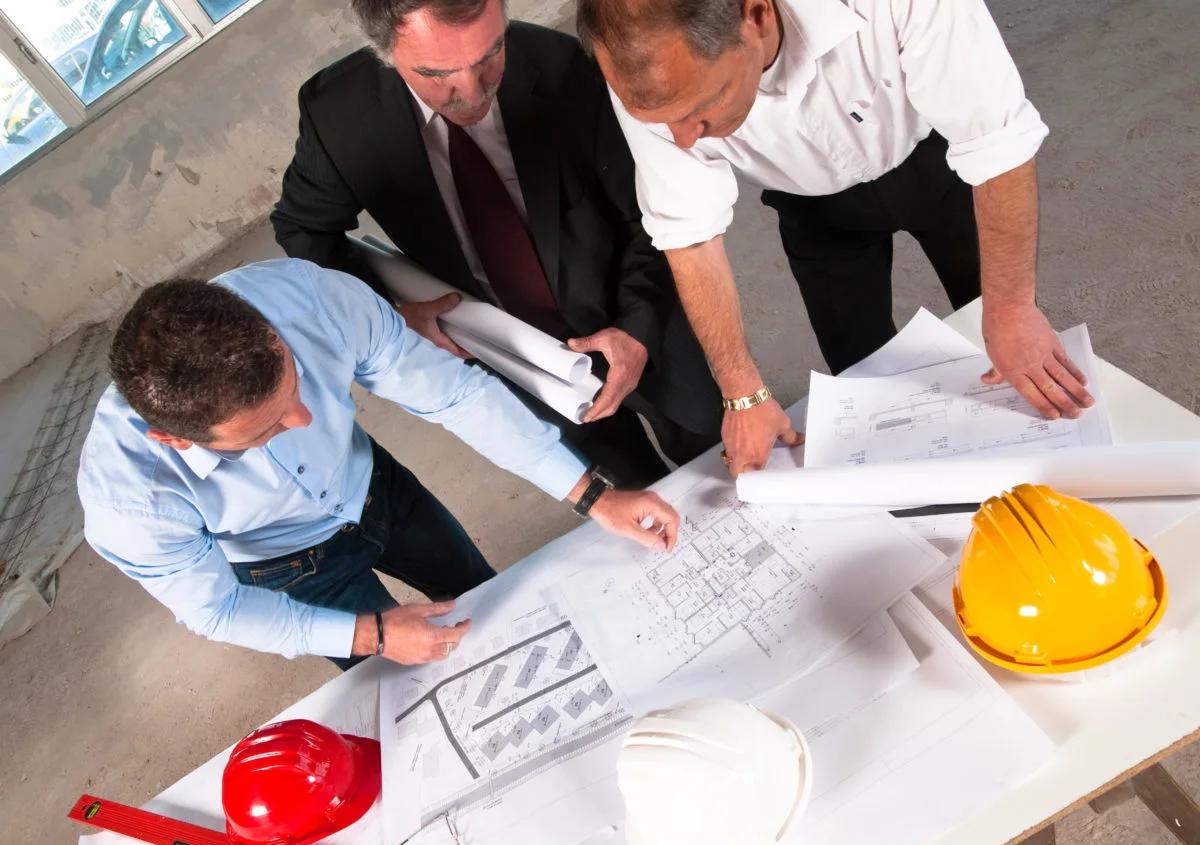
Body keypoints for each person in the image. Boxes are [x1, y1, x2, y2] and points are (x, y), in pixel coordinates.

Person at [576, 0, 1097, 475]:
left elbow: (996, 142)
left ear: (755, 16)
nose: (684, 139)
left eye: (701, 108)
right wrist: (741, 393)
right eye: (662, 122)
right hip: (815, 212)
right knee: (863, 377)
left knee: (1010, 337)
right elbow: (689, 236)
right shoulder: (648, 73)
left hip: (939, 164)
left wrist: (1009, 309)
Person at [77, 259, 679, 668]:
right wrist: (376, 634)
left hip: (377, 489)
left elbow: (455, 394)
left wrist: (593, 496)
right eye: (265, 430)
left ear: (271, 335)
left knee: (486, 599)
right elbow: (219, 609)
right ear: (176, 439)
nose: (305, 422)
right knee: (410, 677)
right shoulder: (129, 501)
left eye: (297, 389)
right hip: (286, 569)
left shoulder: (312, 300)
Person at [269, 0, 723, 489]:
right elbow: (304, 227)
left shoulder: (566, 66)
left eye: (490, 54)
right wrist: (390, 312)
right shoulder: (336, 113)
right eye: (436, 72)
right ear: (384, 53)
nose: (472, 91)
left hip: (639, 314)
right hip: (521, 356)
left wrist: (637, 327)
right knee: (633, 489)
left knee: (717, 457)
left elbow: (652, 213)